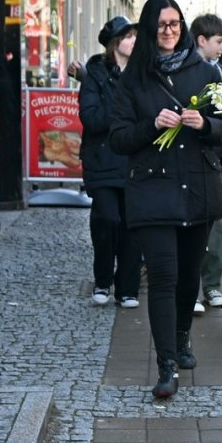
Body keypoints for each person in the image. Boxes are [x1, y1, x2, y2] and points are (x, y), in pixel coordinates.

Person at [109, 0, 222, 398]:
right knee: (162, 276)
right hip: (153, 191)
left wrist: (205, 125)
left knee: (187, 277)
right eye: (161, 24)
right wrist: (150, 125)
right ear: (148, 29)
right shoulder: (133, 78)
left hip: (197, 188)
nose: (169, 30)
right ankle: (166, 364)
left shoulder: (205, 72)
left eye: (175, 23)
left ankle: (182, 336)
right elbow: (118, 139)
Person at [78, 16, 142, 309]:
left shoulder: (144, 74)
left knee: (132, 225)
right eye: (129, 36)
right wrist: (121, 109)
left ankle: (128, 288)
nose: (135, 41)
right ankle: (103, 280)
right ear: (116, 43)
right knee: (108, 219)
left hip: (134, 159)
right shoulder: (95, 73)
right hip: (102, 159)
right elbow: (90, 118)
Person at [190, 14, 222, 315]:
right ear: (201, 40)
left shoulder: (220, 71)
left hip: (214, 155)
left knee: (217, 222)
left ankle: (212, 284)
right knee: (192, 224)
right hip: (189, 158)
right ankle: (191, 288)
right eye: (219, 41)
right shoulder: (183, 71)